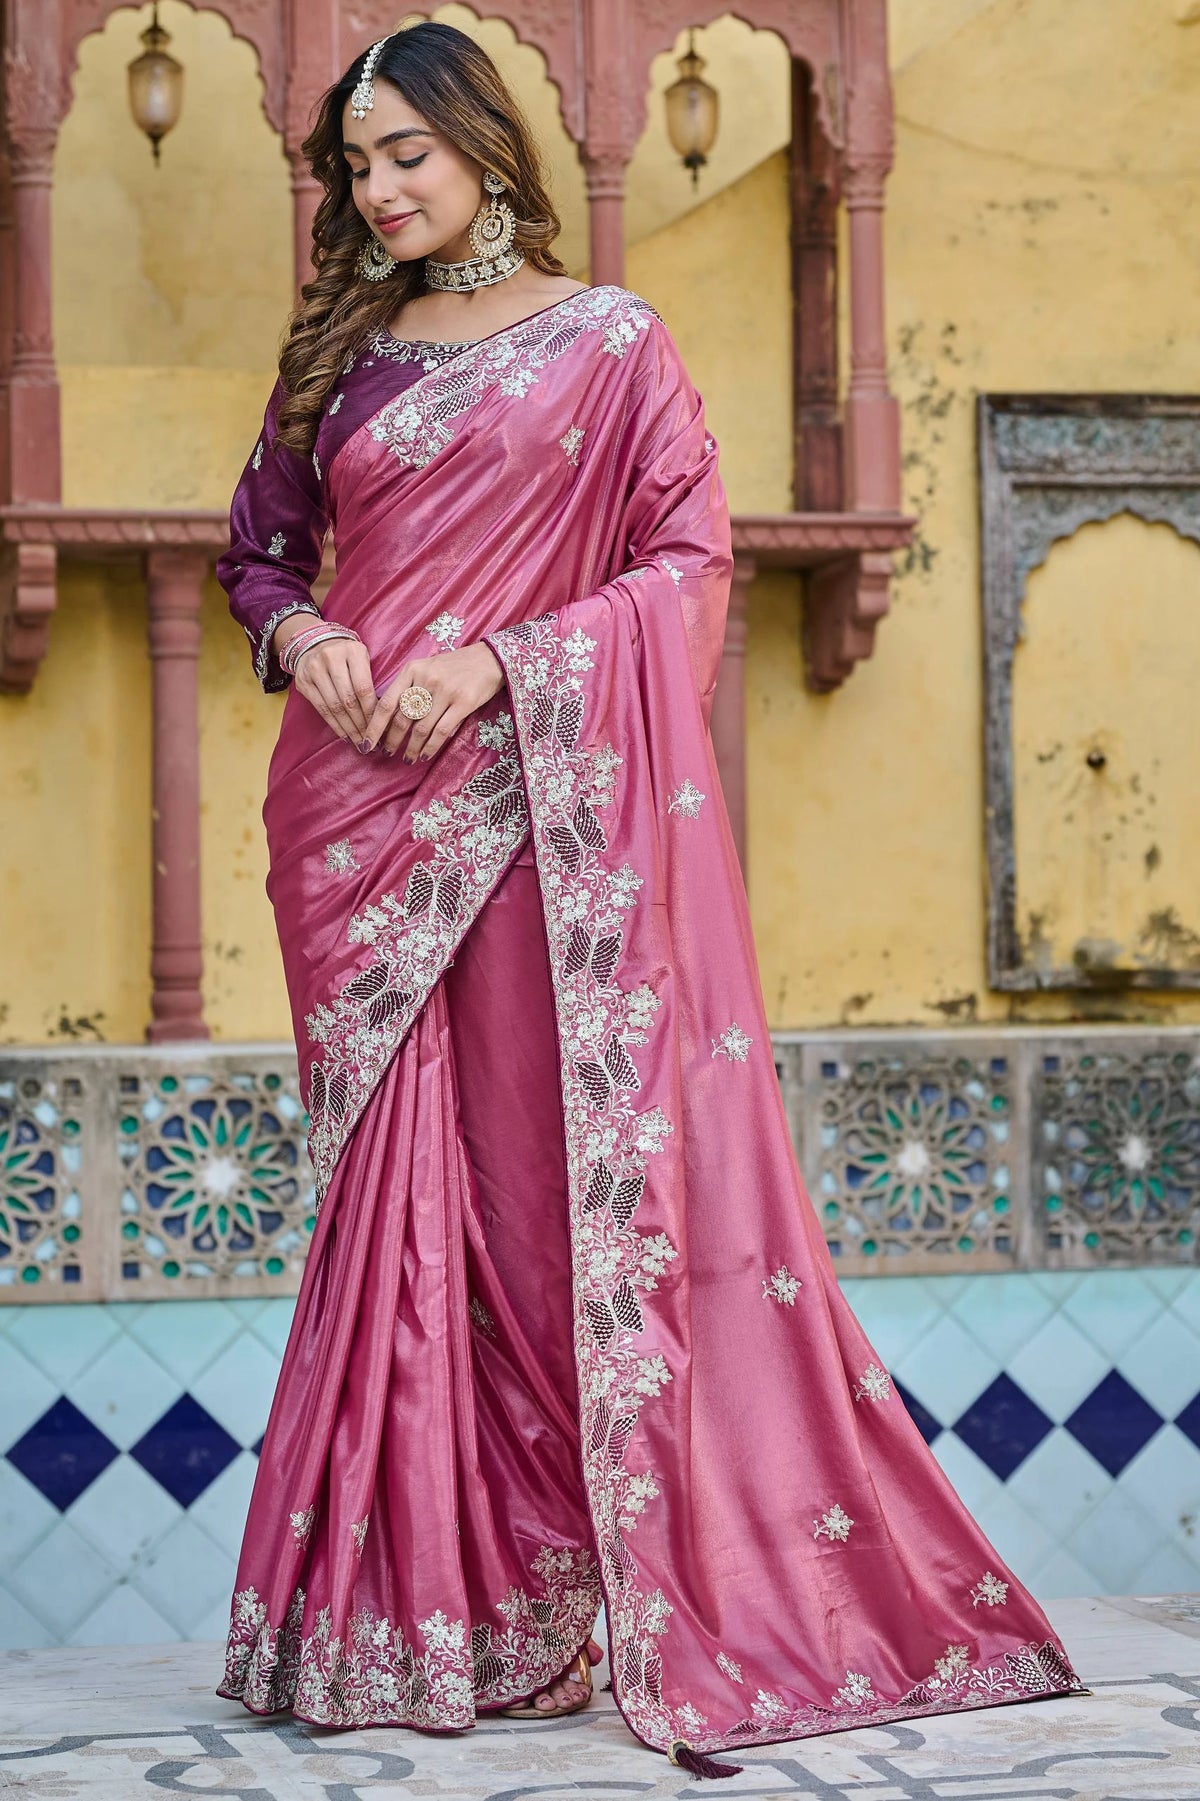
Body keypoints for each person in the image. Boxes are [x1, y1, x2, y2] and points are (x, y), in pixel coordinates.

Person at [214, 19, 1084, 1779]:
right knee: (405, 1217)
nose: (380, 190)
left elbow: (684, 570)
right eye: (356, 164)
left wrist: (494, 662)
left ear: (484, 142)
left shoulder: (609, 346)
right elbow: (259, 547)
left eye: (406, 154)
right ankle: (412, 1612)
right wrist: (307, 639)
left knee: (545, 1203)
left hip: (537, 818)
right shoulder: (347, 351)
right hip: (358, 823)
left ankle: (568, 1593)